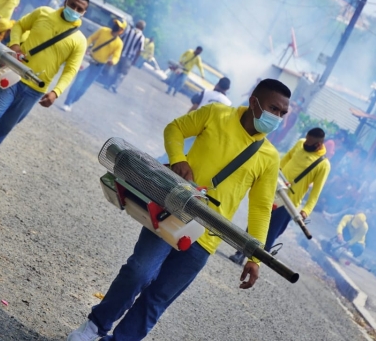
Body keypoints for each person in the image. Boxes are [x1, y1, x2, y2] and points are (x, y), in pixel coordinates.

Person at [67, 79, 291, 341]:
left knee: (158, 298)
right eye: (273, 109)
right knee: (139, 271)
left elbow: (262, 207)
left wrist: (255, 257)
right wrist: (178, 159)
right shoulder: (217, 113)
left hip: (207, 236)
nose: (277, 117)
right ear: (254, 102)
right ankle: (95, 326)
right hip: (172, 210)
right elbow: (175, 129)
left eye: (282, 113)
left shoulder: (269, 156)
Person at [0, 0, 89, 168]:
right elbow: (20, 25)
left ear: (83, 13)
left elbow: (71, 70)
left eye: (79, 8)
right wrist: (15, 44)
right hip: (13, 73)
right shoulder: (43, 12)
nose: (74, 9)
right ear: (66, 1)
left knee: (7, 124)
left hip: (36, 89)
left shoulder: (79, 41)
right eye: (72, 4)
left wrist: (56, 92)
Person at [229, 127, 331, 264]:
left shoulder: (323, 164)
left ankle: (254, 262)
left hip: (289, 203)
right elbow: (285, 159)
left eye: (309, 142)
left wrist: (306, 211)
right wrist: (273, 174)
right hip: (274, 191)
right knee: (256, 222)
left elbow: (315, 192)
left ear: (318, 144)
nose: (305, 143)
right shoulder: (300, 143)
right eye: (306, 139)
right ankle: (240, 253)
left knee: (271, 234)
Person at [157, 77, 232, 165]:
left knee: (177, 149)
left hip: (194, 125)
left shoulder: (206, 92)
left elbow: (194, 106)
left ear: (217, 83)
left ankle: (160, 164)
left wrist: (184, 122)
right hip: (208, 133)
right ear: (227, 89)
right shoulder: (229, 104)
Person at [61, 20, 124, 112]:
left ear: (121, 31)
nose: (115, 27)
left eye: (118, 26)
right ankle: (67, 102)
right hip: (88, 60)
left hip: (99, 66)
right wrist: (84, 46)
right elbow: (91, 38)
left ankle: (72, 101)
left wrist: (113, 61)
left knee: (84, 87)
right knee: (78, 82)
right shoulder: (103, 30)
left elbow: (116, 56)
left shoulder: (119, 43)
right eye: (115, 24)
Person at [104, 20, 145, 93]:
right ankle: (115, 86)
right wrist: (135, 60)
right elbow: (139, 50)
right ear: (143, 28)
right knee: (122, 73)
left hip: (119, 53)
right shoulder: (141, 37)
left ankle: (107, 84)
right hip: (129, 58)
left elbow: (119, 38)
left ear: (136, 25)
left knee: (114, 69)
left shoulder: (128, 31)